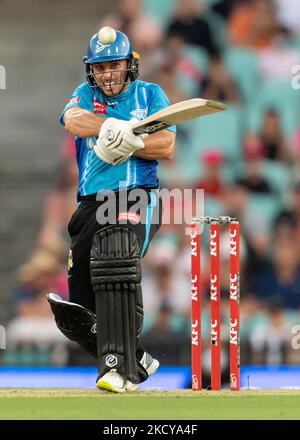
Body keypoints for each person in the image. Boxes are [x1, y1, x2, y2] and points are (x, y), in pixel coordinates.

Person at [47, 26, 176, 393]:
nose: (107, 74)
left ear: (129, 64)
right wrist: (115, 129)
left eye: (114, 65)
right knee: (80, 308)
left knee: (115, 253)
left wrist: (132, 142)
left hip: (136, 196)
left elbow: (165, 145)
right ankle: (137, 356)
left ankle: (119, 371)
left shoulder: (150, 94)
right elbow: (73, 119)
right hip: (89, 203)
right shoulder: (85, 94)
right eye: (100, 67)